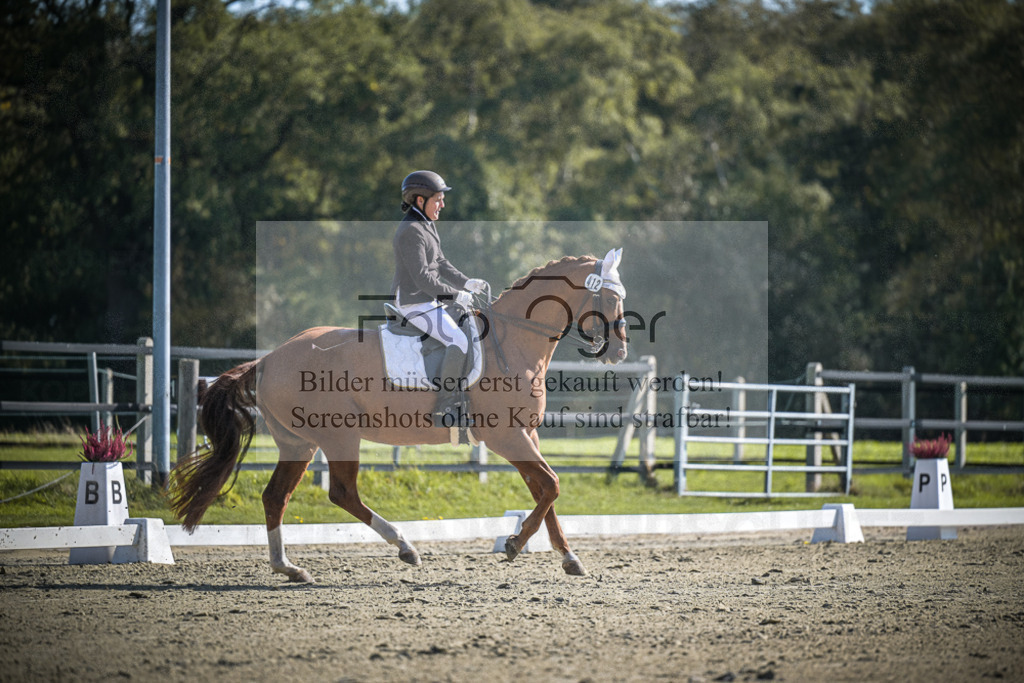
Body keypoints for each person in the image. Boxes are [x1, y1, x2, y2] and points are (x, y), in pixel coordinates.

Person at [391, 170, 488, 426]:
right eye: (438, 199)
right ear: (420, 200)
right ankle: (445, 406)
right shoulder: (411, 230)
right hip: (414, 302)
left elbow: (441, 263)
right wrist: (456, 296)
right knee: (458, 340)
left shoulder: (426, 224)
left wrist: (466, 282)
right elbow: (423, 278)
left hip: (428, 298)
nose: (442, 205)